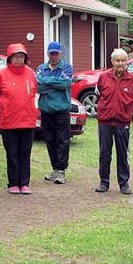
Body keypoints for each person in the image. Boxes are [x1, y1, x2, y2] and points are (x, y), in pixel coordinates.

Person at [0, 43, 37, 194]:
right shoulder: (1, 74)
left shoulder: (30, 73)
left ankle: (24, 183)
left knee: (25, 153)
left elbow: (33, 92)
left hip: (28, 121)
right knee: (12, 153)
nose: (19, 59)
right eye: (16, 56)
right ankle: (13, 183)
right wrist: (7, 106)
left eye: (21, 56)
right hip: (9, 122)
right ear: (10, 58)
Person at [95, 47, 133, 195]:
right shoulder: (103, 77)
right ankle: (104, 182)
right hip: (105, 121)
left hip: (122, 122)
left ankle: (124, 183)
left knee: (123, 154)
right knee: (104, 153)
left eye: (123, 60)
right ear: (112, 61)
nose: (120, 63)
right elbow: (98, 94)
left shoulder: (132, 80)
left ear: (126, 62)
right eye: (117, 60)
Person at [36, 40, 73, 185]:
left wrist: (47, 81)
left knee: (62, 140)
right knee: (50, 140)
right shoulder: (41, 68)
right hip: (46, 110)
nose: (53, 56)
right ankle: (55, 168)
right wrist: (56, 84)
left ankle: (61, 170)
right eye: (51, 54)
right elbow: (38, 87)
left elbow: (65, 83)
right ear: (47, 54)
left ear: (60, 54)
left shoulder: (67, 68)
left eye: (56, 54)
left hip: (62, 110)